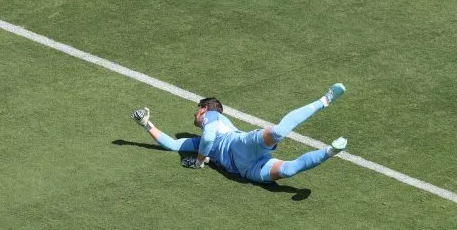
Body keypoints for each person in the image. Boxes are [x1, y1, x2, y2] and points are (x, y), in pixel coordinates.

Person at [131, 84, 347, 183]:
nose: (196, 115)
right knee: (289, 171)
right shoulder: (199, 140)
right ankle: (330, 151)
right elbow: (172, 144)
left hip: (241, 144)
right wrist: (146, 124)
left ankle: (324, 100)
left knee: (279, 132)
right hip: (247, 169)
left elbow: (208, 138)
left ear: (205, 109)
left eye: (197, 110)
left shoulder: (212, 116)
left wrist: (198, 162)